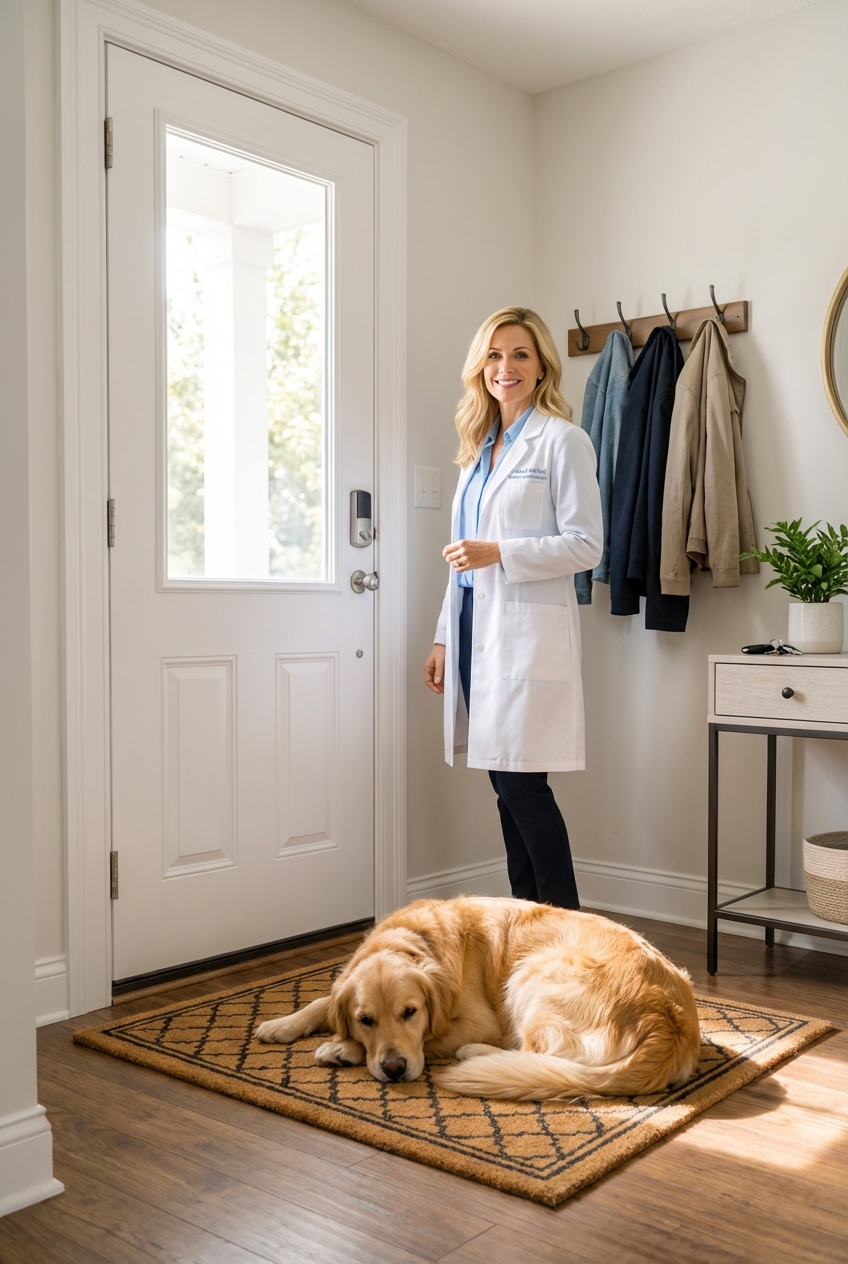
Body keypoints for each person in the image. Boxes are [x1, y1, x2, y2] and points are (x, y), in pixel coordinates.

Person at [424, 307, 603, 909]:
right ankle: (528, 922)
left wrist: (501, 552)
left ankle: (566, 928)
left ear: (542, 364)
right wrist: (445, 637)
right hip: (476, 629)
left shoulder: (561, 440)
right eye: (496, 355)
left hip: (526, 636)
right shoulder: (478, 451)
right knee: (505, 786)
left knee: (521, 785)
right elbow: (461, 561)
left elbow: (586, 545)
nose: (507, 367)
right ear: (482, 367)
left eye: (520, 354)